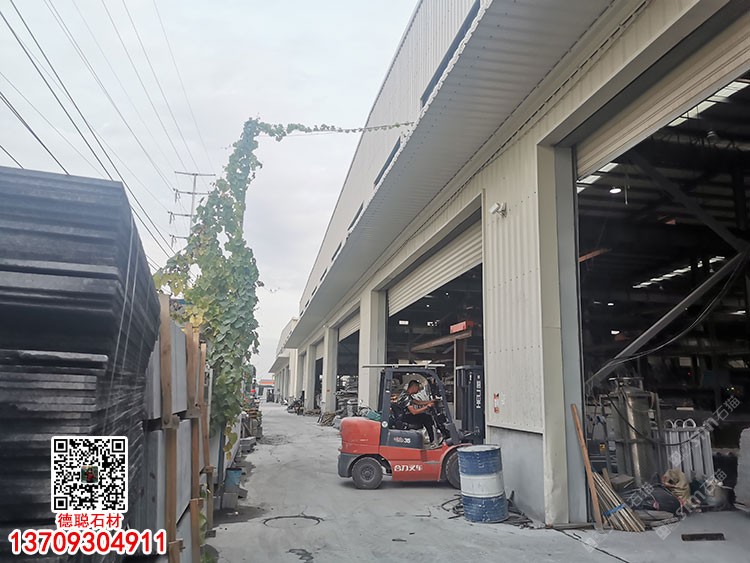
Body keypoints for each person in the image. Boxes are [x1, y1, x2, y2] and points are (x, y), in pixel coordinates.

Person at [396, 380, 438, 447]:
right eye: (418, 388)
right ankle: (432, 441)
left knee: (426, 417)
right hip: (404, 418)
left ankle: (432, 440)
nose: (418, 391)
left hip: (405, 416)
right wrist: (427, 407)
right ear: (414, 387)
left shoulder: (406, 394)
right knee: (426, 418)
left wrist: (430, 401)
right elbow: (414, 412)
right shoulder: (405, 397)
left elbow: (417, 402)